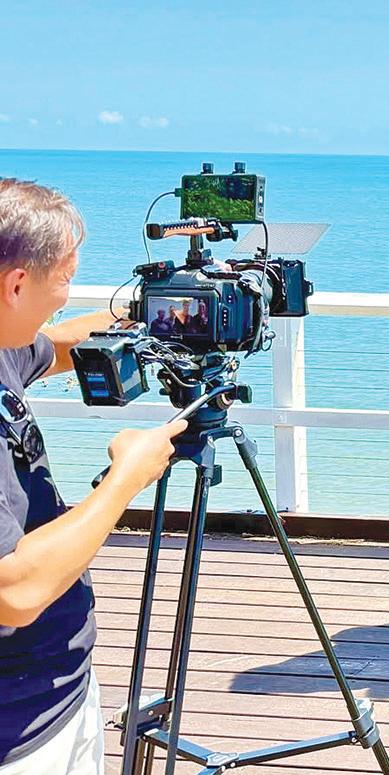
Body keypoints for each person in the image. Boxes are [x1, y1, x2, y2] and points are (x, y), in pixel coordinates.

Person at [0, 178, 186, 773]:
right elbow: (13, 593)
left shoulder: (3, 345)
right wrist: (124, 479)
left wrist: (149, 308)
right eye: (64, 279)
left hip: (59, 687)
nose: (65, 296)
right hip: (18, 728)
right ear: (16, 285)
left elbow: (56, 345)